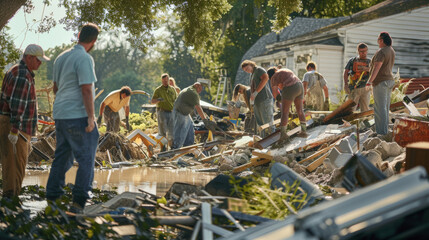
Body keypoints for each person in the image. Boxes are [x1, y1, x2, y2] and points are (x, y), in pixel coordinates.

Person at [46, 23, 100, 213]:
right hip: (77, 115)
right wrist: (91, 118)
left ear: (78, 35)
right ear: (93, 41)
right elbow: (86, 89)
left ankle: (52, 197)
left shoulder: (61, 57)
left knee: (62, 156)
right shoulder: (84, 58)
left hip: (60, 114)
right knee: (86, 157)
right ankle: (78, 202)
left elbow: (55, 88)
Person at [0, 44, 49, 199]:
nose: (40, 63)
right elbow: (17, 105)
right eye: (38, 60)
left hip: (16, 126)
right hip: (16, 127)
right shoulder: (21, 75)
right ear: (28, 57)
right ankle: (10, 200)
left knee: (12, 166)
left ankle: (11, 198)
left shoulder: (19, 71)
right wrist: (14, 130)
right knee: (15, 167)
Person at [268, 67, 307, 146]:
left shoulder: (273, 78)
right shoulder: (285, 70)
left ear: (270, 76)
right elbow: (282, 86)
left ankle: (283, 135)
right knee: (300, 110)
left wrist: (279, 99)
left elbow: (275, 92)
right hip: (300, 86)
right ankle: (304, 131)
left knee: (285, 112)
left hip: (291, 87)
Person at [366, 32, 395, 136]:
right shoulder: (391, 50)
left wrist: (369, 81)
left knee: (379, 108)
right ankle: (385, 131)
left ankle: (381, 133)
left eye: (378, 40)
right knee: (385, 108)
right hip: (389, 80)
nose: (377, 42)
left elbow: (377, 67)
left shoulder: (381, 51)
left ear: (382, 40)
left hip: (381, 82)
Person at [172, 82, 217, 149]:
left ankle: (188, 148)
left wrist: (206, 117)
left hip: (184, 113)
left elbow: (198, 107)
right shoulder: (193, 93)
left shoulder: (190, 90)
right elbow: (198, 107)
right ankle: (175, 150)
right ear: (196, 85)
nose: (201, 90)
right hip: (180, 113)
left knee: (190, 129)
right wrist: (205, 120)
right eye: (201, 88)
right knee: (181, 132)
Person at [241, 60, 274, 136]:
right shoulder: (252, 74)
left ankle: (272, 137)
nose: (247, 71)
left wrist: (256, 92)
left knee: (267, 120)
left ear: (250, 64)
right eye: (245, 70)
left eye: (247, 68)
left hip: (264, 98)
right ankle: (263, 139)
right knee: (260, 122)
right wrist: (252, 98)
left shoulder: (258, 69)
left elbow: (265, 78)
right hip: (257, 101)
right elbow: (252, 87)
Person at [151, 73, 177, 150]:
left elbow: (176, 100)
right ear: (161, 81)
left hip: (171, 112)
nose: (165, 82)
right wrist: (158, 100)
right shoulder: (158, 90)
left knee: (171, 131)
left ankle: (172, 147)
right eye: (163, 81)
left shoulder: (172, 89)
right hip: (162, 112)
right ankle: (163, 148)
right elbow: (152, 101)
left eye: (166, 81)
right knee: (162, 131)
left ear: (168, 80)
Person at [343, 43, 371, 112]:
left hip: (365, 89)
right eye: (361, 51)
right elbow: (346, 72)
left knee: (365, 110)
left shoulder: (370, 61)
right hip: (354, 88)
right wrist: (346, 84)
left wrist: (365, 68)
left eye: (365, 51)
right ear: (358, 51)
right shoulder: (352, 61)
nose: (364, 53)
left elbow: (374, 71)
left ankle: (364, 121)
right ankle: (349, 122)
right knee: (350, 109)